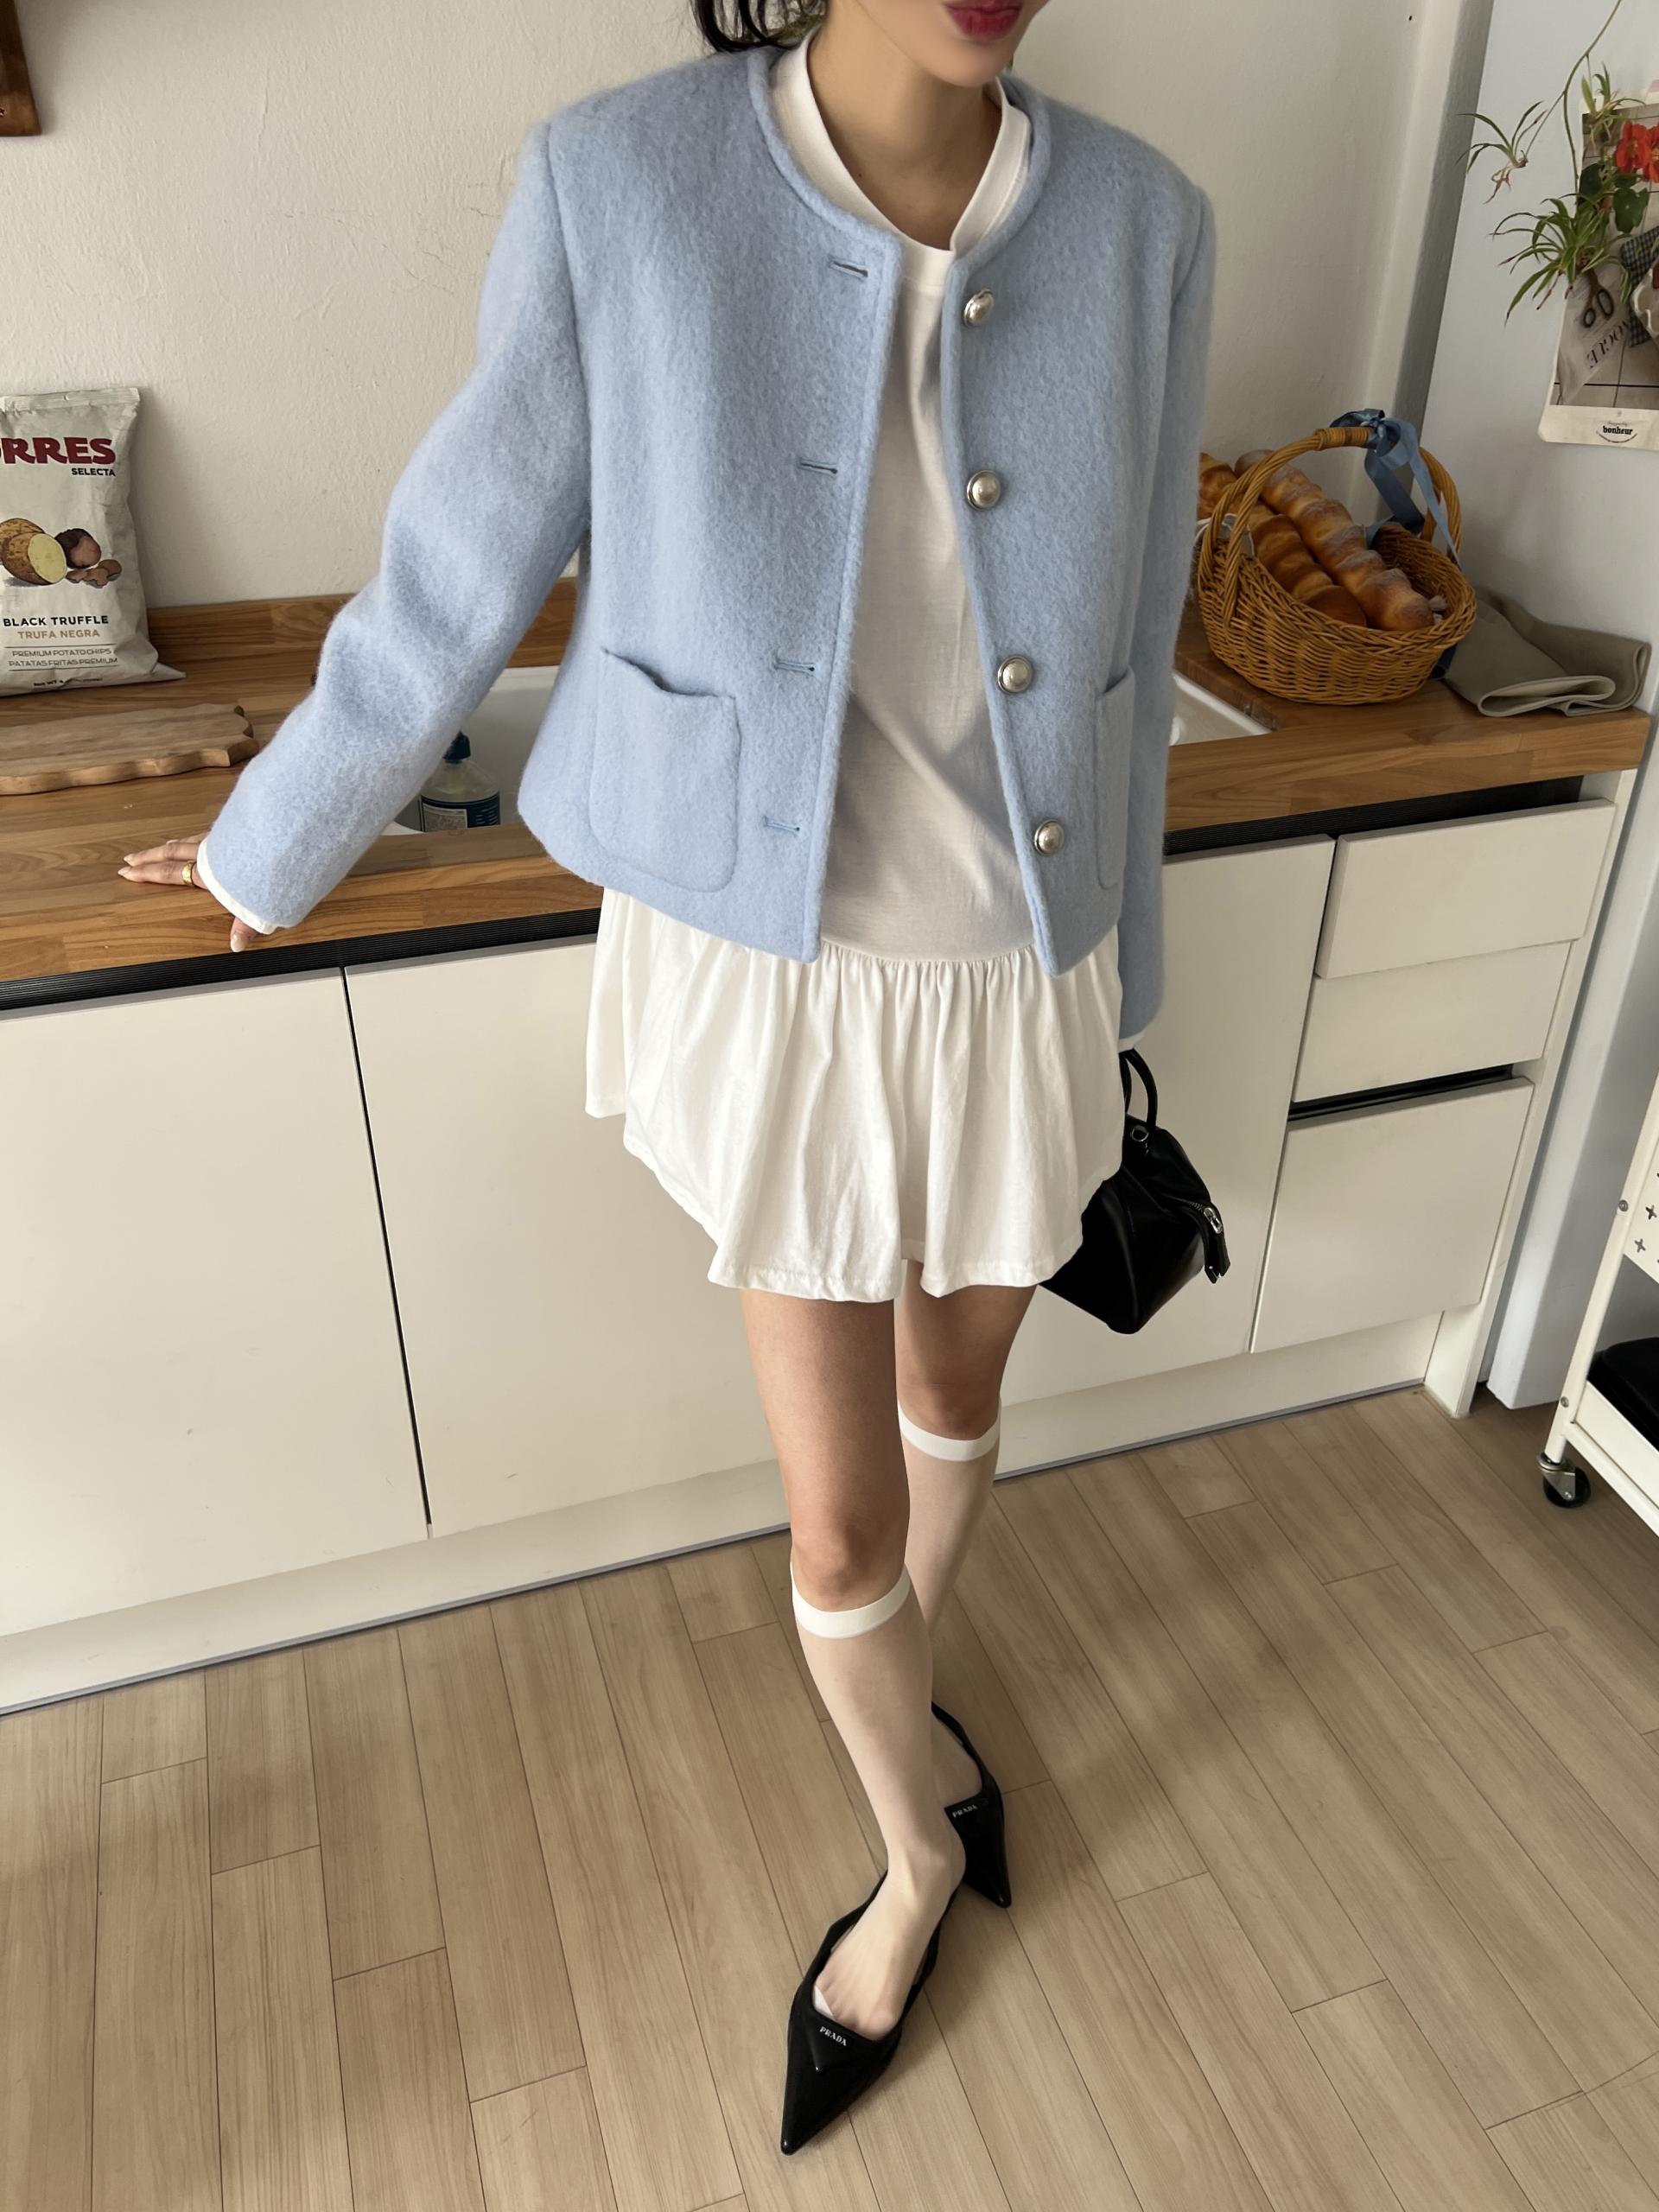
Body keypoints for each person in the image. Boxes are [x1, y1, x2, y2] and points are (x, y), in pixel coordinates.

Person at [118, 0, 1216, 2155]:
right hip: (773, 964)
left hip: (1016, 962)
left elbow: (1138, 626)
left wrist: (1125, 968)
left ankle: (908, 1693)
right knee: (839, 1509)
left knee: (961, 1398)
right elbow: (468, 548)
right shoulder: (621, 182)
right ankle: (912, 1850)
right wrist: (273, 837)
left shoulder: (1147, 222)